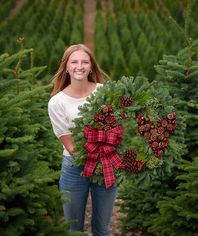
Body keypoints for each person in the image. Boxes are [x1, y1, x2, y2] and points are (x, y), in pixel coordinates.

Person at [48, 44, 116, 235]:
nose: (80, 66)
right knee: (74, 229)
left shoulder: (105, 92)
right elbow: (70, 146)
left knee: (102, 228)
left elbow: (119, 127)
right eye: (74, 62)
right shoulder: (57, 102)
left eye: (85, 62)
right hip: (74, 167)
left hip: (105, 165)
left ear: (91, 67)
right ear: (67, 67)